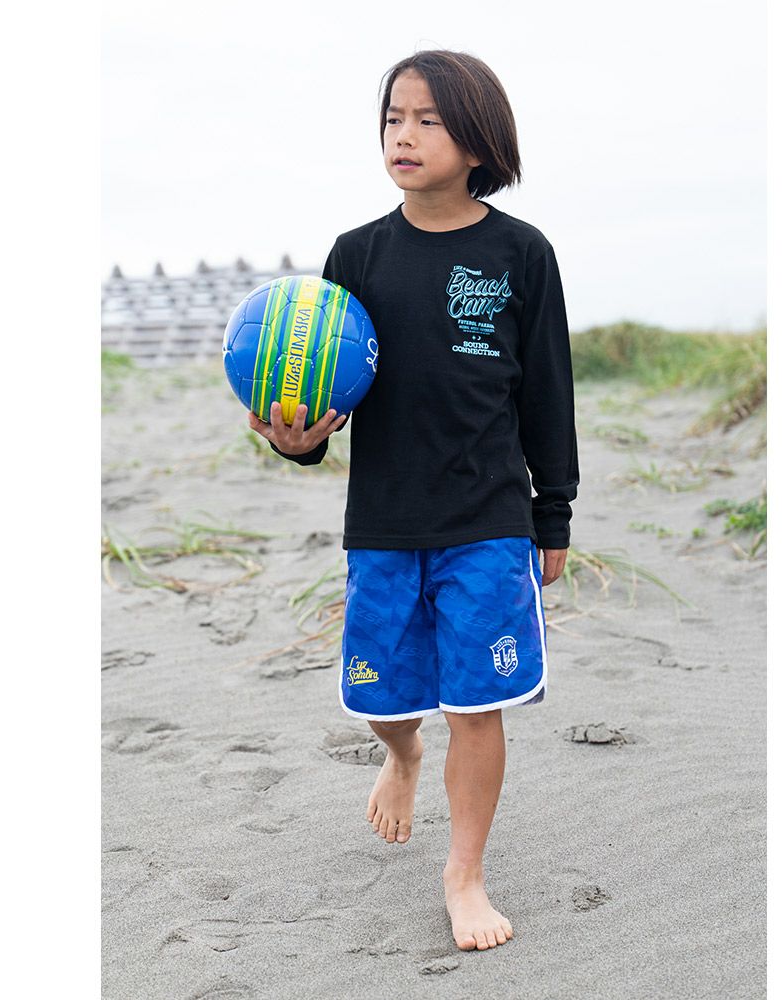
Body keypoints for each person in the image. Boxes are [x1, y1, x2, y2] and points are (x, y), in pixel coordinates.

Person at [248, 49, 579, 953]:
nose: (405, 133)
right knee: (383, 700)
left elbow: (548, 393)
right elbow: (324, 388)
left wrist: (553, 511)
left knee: (477, 702)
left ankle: (464, 873)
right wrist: (296, 440)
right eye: (394, 117)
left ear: (478, 140)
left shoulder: (521, 253)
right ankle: (401, 755)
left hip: (488, 520)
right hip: (386, 520)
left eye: (429, 119)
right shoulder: (355, 255)